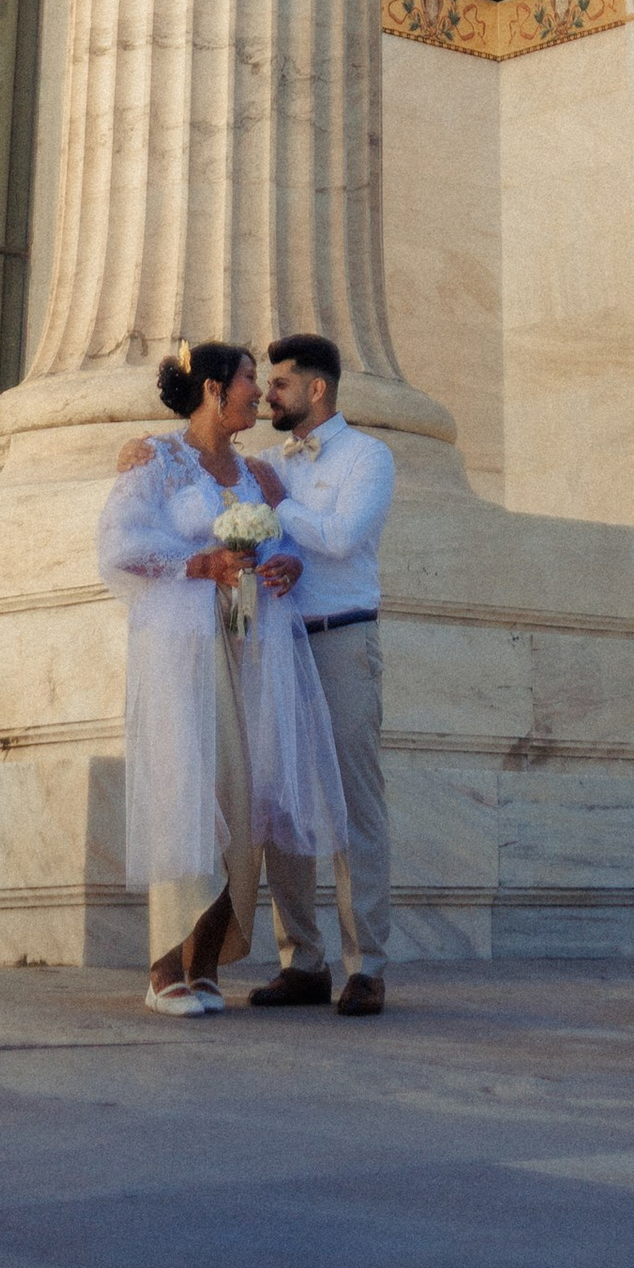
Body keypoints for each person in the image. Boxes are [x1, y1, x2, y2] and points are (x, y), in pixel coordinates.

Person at [98, 340, 344, 1018]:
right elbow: (119, 545)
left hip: (254, 650)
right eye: (246, 380)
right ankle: (163, 966)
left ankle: (204, 961)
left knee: (247, 795)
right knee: (194, 789)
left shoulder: (261, 477)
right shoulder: (156, 459)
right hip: (185, 653)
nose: (257, 394)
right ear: (212, 388)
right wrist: (194, 564)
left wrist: (288, 566)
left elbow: (289, 546)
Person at [247, 331, 395, 1016]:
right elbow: (287, 541)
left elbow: (340, 537)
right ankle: (300, 959)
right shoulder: (273, 464)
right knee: (282, 799)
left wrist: (278, 503)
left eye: (279, 384)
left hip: (342, 642)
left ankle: (366, 966)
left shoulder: (370, 457)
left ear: (317, 390)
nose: (268, 395)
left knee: (352, 803)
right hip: (281, 641)